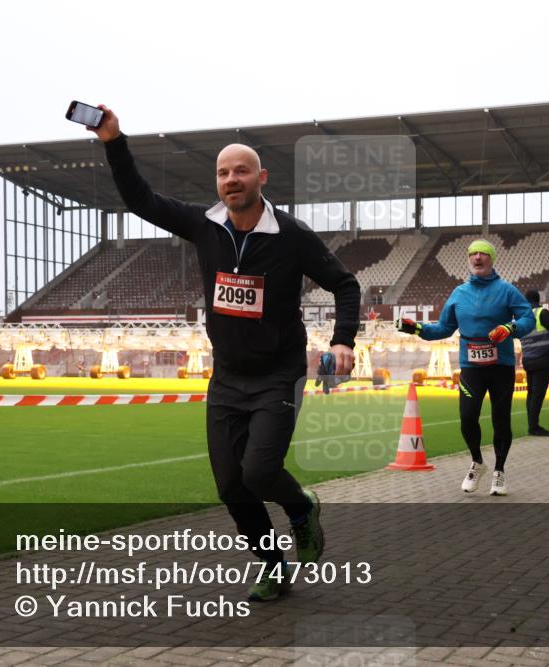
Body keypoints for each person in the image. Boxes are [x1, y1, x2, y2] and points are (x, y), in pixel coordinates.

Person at [91, 106, 361, 602]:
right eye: (222, 173)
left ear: (261, 177)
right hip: (228, 379)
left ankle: (301, 508)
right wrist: (114, 141)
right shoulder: (204, 225)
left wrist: (343, 338)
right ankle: (273, 567)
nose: (231, 180)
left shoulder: (291, 235)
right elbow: (139, 199)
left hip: (278, 374)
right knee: (232, 487)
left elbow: (345, 284)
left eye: (241, 171)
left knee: (259, 472)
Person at [396, 240, 534, 496]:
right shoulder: (459, 293)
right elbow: (443, 328)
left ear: (491, 259)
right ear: (469, 259)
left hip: (501, 366)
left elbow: (529, 318)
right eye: (473, 253)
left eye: (483, 253)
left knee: (501, 419)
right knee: (468, 416)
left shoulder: (506, 290)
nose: (478, 257)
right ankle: (477, 462)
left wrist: (510, 328)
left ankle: (499, 471)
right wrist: (416, 328)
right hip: (471, 367)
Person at [519, 289, 549, 436]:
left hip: (528, 360)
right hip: (542, 359)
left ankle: (532, 425)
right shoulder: (541, 313)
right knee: (538, 394)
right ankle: (533, 427)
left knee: (531, 394)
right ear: (538, 300)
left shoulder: (521, 316)